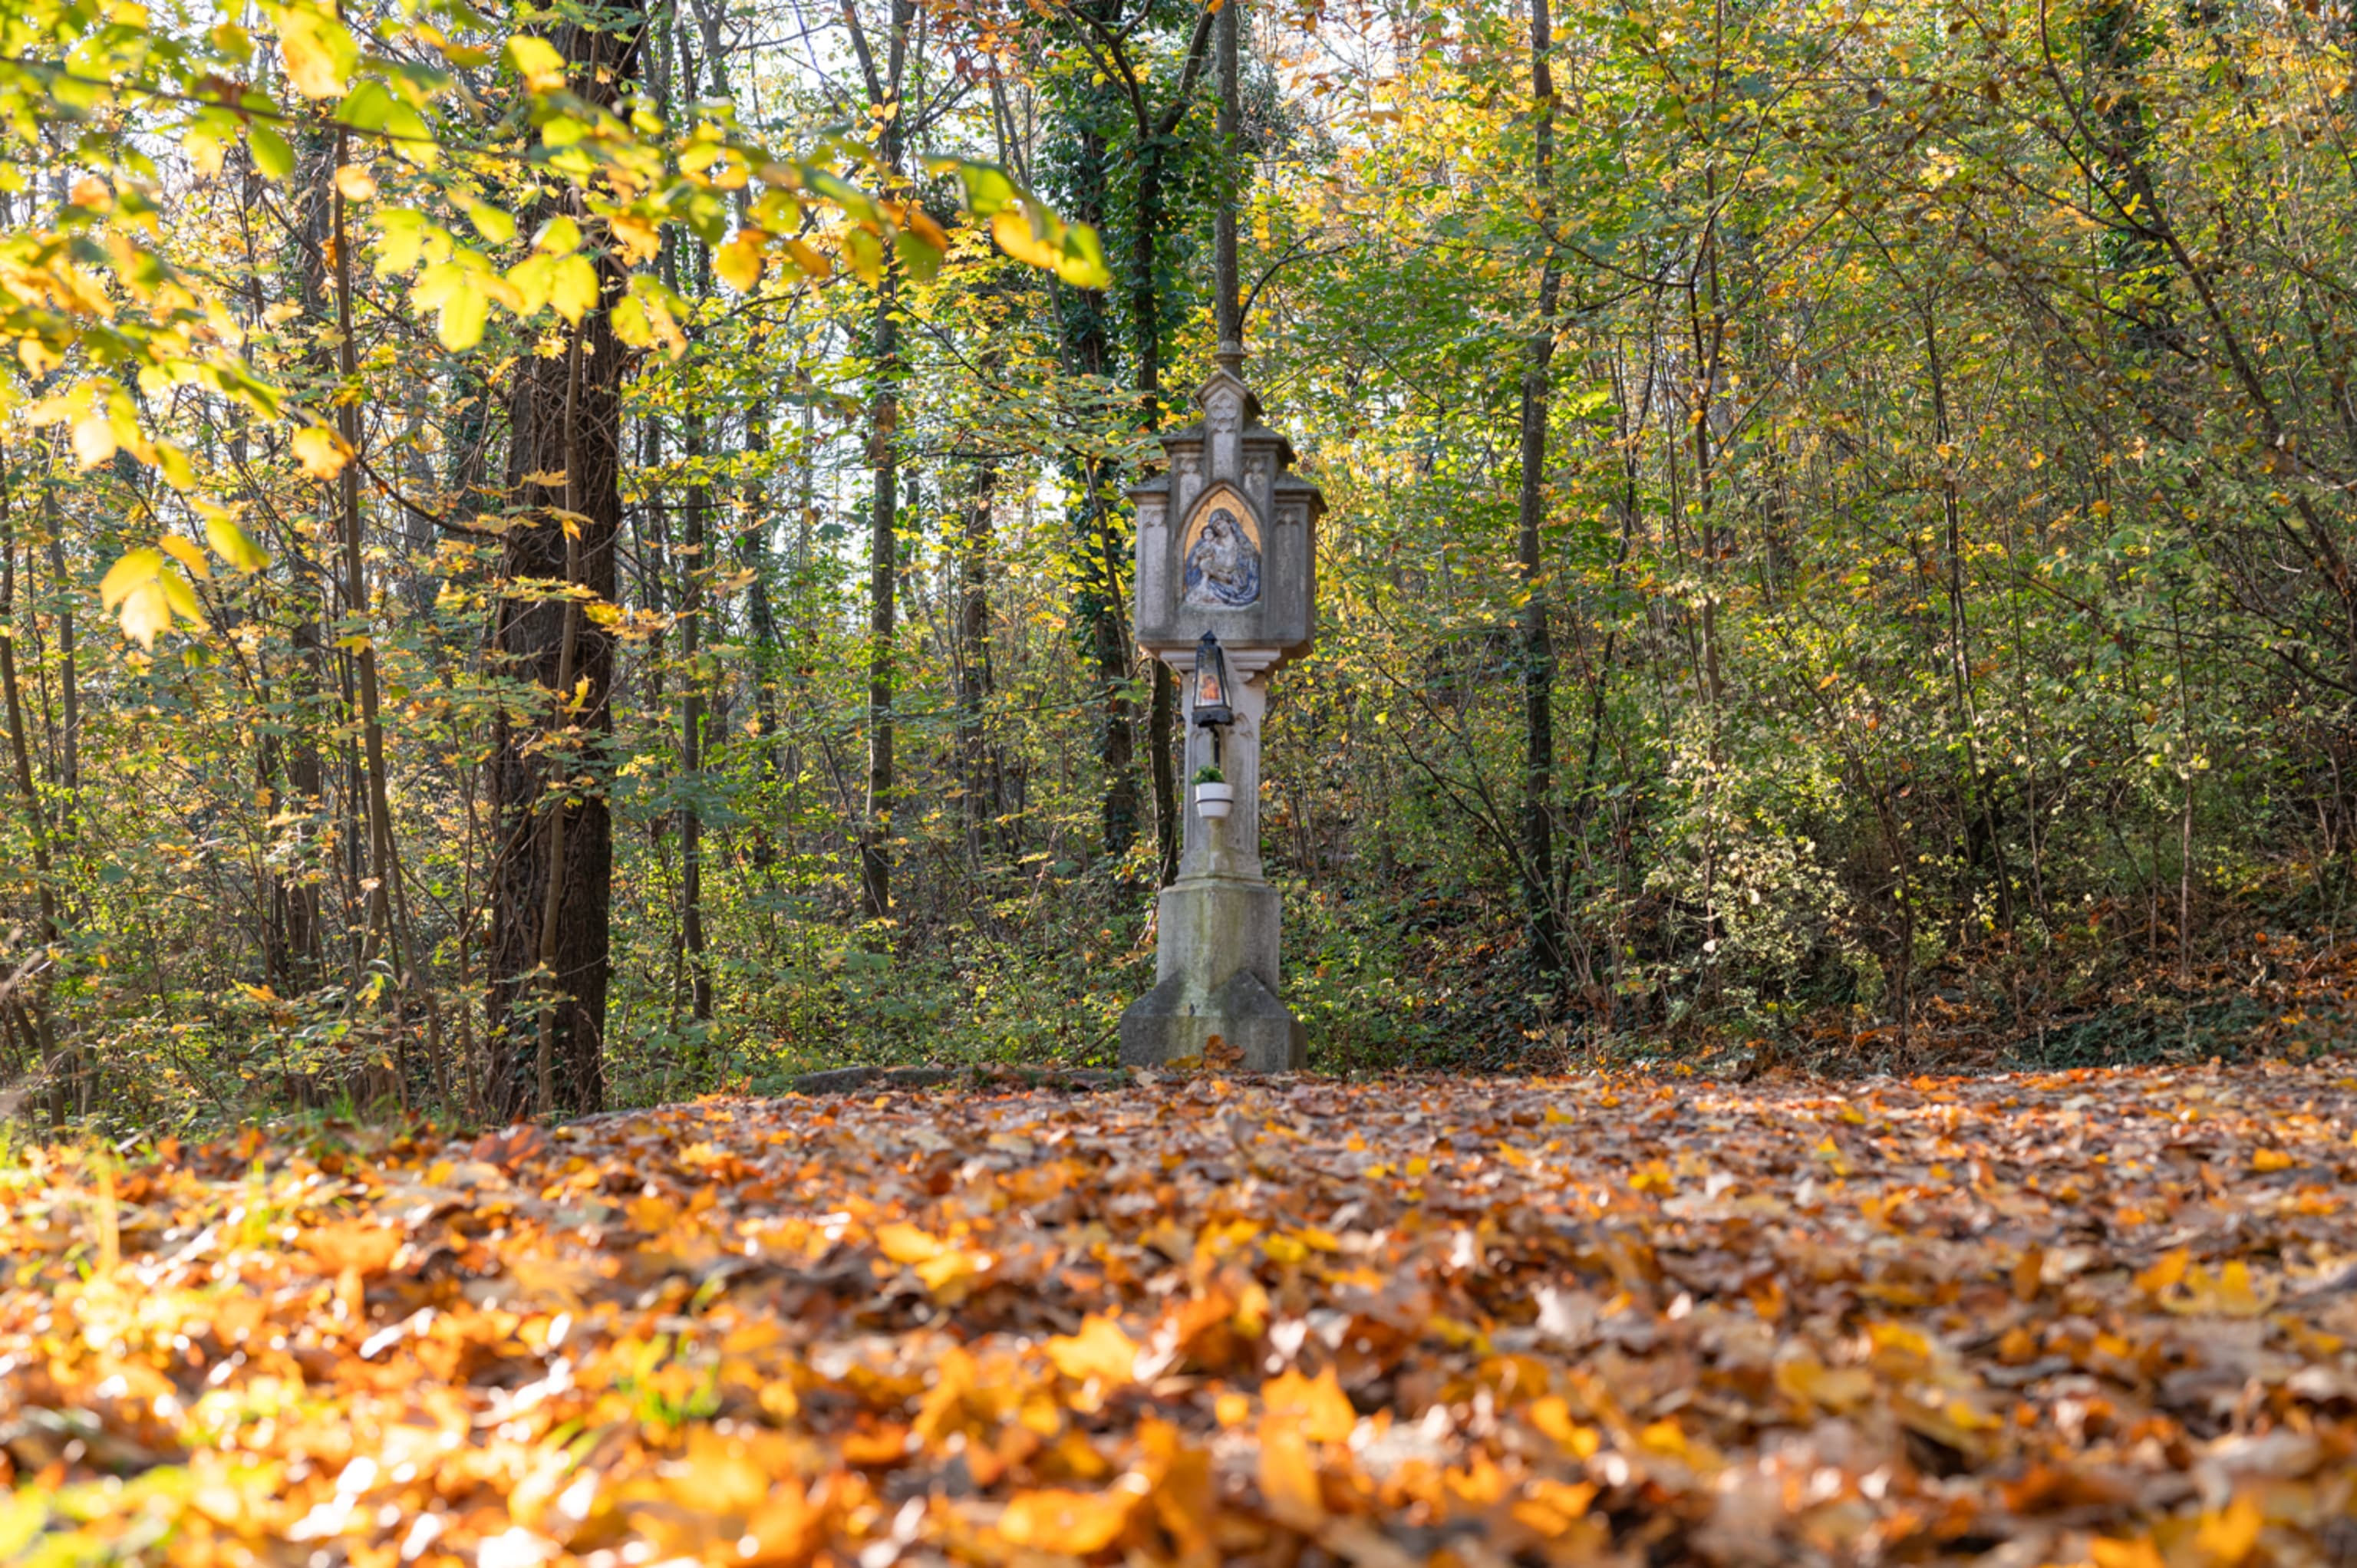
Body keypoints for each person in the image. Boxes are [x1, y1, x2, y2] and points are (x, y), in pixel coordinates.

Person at [1182, 506, 1260, 608]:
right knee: (1192, 597)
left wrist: (1218, 574)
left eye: (1219, 523)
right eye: (1214, 527)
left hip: (1235, 588)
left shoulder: (1243, 546)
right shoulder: (1211, 542)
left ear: (1228, 522)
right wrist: (1197, 557)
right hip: (1213, 584)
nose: (1218, 528)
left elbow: (1246, 577)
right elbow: (1193, 566)